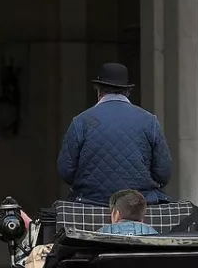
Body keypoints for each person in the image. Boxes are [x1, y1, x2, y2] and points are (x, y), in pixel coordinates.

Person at [57, 63, 173, 206]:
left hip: (90, 202)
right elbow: (164, 173)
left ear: (99, 91)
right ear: (127, 91)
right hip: (139, 205)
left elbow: (65, 171)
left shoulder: (81, 121)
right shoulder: (149, 121)